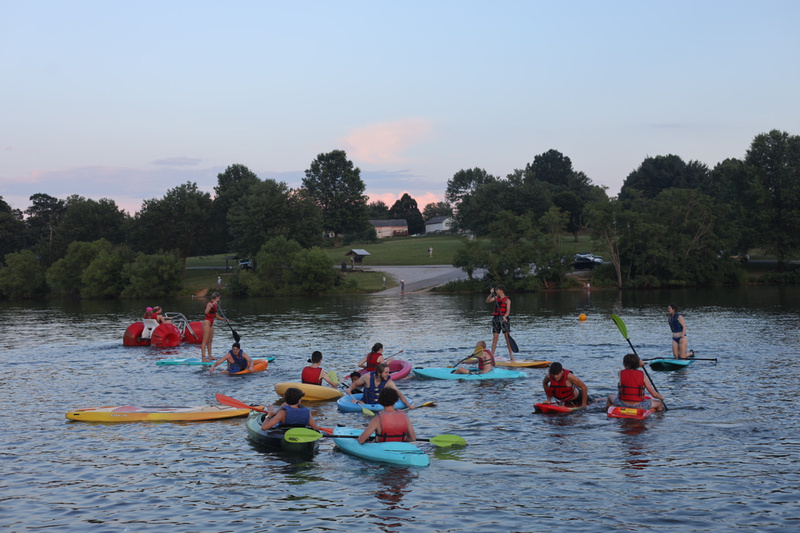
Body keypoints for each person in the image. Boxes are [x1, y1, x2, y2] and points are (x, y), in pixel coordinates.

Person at [347, 363, 414, 409]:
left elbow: (399, 394)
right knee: (352, 401)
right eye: (386, 372)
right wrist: (350, 389)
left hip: (380, 406)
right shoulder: (367, 377)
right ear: (379, 373)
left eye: (388, 372)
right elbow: (355, 384)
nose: (388, 374)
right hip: (365, 404)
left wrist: (408, 405)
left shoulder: (388, 382)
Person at [487, 285, 515, 360]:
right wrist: (491, 294)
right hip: (496, 319)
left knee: (507, 338)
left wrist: (505, 317)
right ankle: (492, 355)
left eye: (497, 290)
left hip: (504, 319)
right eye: (495, 290)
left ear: (501, 291)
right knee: (495, 338)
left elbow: (508, 310)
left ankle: (511, 356)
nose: (496, 291)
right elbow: (488, 301)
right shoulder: (496, 298)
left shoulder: (507, 300)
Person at [201, 292, 227, 362]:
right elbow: (206, 312)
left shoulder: (215, 305)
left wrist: (224, 319)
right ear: (217, 298)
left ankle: (210, 356)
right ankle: (203, 358)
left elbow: (217, 316)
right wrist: (211, 305)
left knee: (210, 341)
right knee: (205, 341)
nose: (219, 299)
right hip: (207, 322)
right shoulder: (209, 304)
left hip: (211, 323)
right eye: (219, 298)